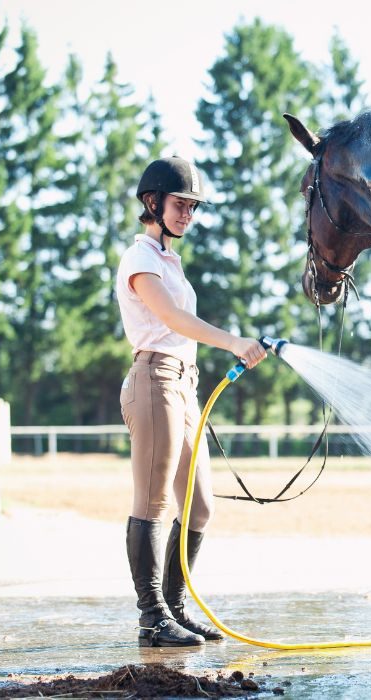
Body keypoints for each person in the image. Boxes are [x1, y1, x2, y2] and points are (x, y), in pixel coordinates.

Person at [115, 155, 267, 647]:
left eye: (192, 207)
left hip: (184, 384)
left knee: (199, 507)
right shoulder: (140, 259)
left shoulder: (169, 262)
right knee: (154, 500)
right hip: (155, 379)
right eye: (180, 204)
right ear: (152, 203)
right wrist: (232, 341)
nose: (187, 214)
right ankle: (151, 616)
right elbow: (173, 321)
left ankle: (175, 606)